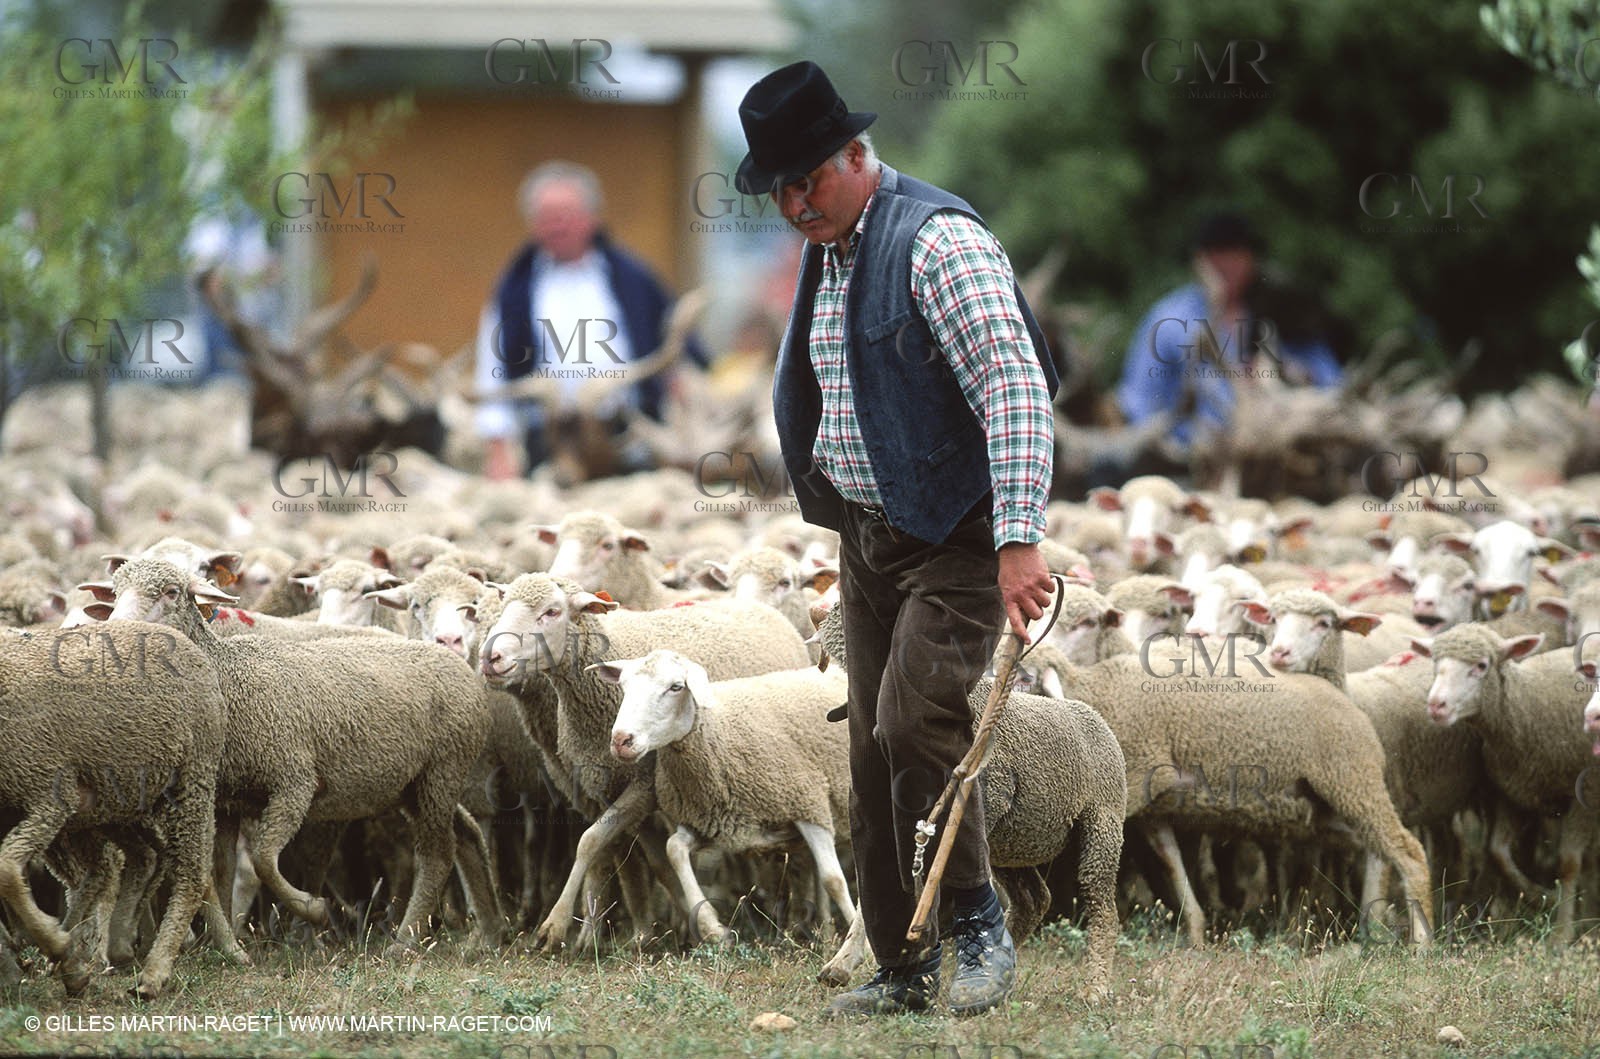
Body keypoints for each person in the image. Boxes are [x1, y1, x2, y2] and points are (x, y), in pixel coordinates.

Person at [737, 61, 1059, 1017]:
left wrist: (1018, 537)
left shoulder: (937, 243)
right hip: (871, 536)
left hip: (957, 533)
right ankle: (902, 964)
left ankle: (978, 920)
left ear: (854, 154)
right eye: (780, 189)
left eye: (808, 180)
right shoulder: (832, 248)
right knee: (871, 756)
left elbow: (1014, 385)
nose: (796, 204)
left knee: (915, 723)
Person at [473, 160, 706, 479]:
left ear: (592, 217)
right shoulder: (514, 290)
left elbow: (675, 353)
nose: (557, 225)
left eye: (566, 214)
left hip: (628, 439)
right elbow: (492, 372)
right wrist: (498, 448)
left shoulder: (633, 279)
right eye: (545, 217)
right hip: (548, 444)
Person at [1116, 213, 1344, 455]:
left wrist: (1296, 377)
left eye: (1235, 254)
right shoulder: (1169, 319)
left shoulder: (1284, 311)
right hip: (1192, 456)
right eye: (1215, 254)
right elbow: (1137, 402)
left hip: (1284, 452)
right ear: (1198, 260)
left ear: (1251, 258)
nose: (1225, 264)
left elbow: (1333, 386)